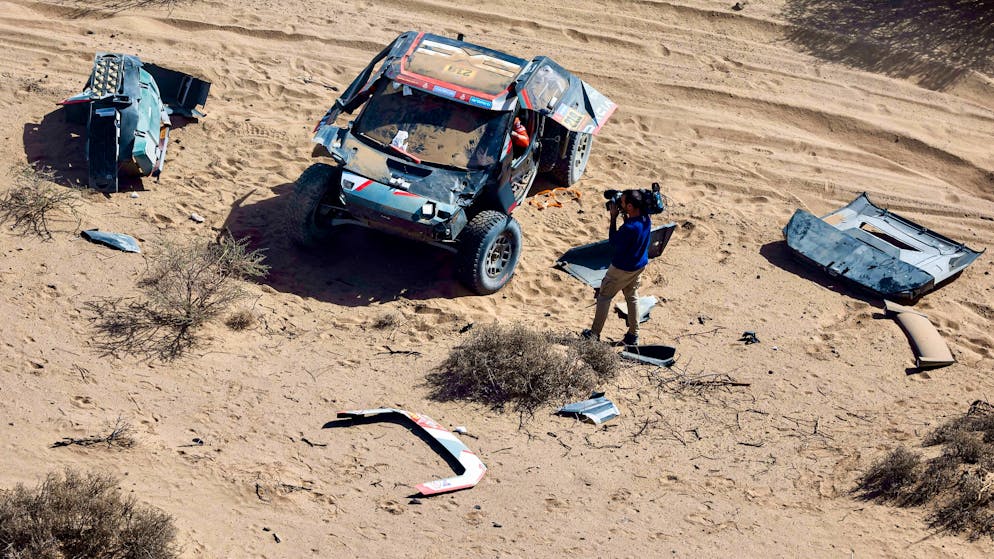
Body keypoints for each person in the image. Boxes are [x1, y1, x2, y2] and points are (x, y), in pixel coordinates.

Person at [582, 190, 651, 345]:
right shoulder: (646, 218)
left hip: (621, 269)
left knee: (604, 297)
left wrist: (613, 218)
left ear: (631, 206)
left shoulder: (629, 228)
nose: (620, 204)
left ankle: (594, 334)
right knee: (632, 296)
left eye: (623, 202)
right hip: (639, 265)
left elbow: (613, 242)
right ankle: (633, 335)